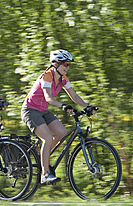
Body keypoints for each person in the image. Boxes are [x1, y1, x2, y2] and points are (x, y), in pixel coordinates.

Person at [21, 49, 97, 185]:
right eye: (65, 64)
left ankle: (42, 157)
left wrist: (87, 107)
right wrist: (63, 105)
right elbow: (48, 97)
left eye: (69, 65)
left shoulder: (63, 79)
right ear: (56, 64)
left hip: (43, 111)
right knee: (47, 138)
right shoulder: (47, 76)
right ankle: (44, 174)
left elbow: (73, 96)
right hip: (30, 110)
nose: (68, 67)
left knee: (61, 132)